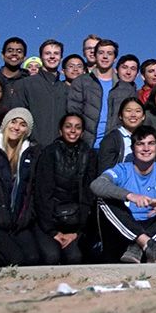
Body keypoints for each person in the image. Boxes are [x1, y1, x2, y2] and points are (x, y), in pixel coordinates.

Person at [91, 125, 156, 263]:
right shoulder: (122, 169)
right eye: (140, 144)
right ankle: (145, 242)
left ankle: (139, 245)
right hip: (123, 229)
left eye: (151, 144)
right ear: (133, 148)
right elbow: (97, 185)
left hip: (153, 227)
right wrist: (130, 195)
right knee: (103, 199)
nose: (146, 148)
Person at [0, 107, 42, 267]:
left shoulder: (31, 154)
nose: (17, 127)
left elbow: (31, 190)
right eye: (13, 121)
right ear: (6, 123)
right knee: (15, 259)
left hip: (18, 222)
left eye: (22, 124)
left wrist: (27, 217)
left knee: (33, 258)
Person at [32, 114, 97, 265]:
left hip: (75, 223)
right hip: (49, 222)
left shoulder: (89, 155)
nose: (73, 131)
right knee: (51, 256)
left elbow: (88, 195)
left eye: (78, 127)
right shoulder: (49, 153)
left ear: (82, 132)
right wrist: (52, 231)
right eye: (68, 126)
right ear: (60, 130)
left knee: (75, 257)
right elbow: (43, 194)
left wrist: (77, 232)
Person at [68, 38, 135, 148]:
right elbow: (73, 112)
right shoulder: (81, 82)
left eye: (109, 53)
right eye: (101, 53)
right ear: (95, 56)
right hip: (85, 145)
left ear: (115, 58)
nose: (105, 57)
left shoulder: (126, 89)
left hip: (114, 147)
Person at [15, 39, 69, 146]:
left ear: (61, 58)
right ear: (41, 57)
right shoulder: (25, 84)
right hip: (32, 150)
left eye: (56, 53)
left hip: (59, 151)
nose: (52, 57)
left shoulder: (66, 89)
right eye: (47, 53)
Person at [98, 96, 148, 172]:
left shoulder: (148, 138)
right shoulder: (111, 139)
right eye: (128, 111)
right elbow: (105, 171)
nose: (133, 115)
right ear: (120, 115)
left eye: (138, 111)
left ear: (143, 116)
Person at [0, 36, 29, 104]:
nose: (14, 54)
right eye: (10, 51)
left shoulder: (29, 82)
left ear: (24, 58)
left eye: (19, 51)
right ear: (2, 55)